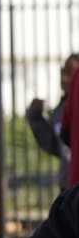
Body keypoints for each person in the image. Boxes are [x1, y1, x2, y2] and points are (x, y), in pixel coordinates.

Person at [27, 53, 79, 191]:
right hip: (69, 185)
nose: (64, 77)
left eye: (70, 72)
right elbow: (56, 143)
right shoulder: (63, 107)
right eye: (63, 71)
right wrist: (35, 117)